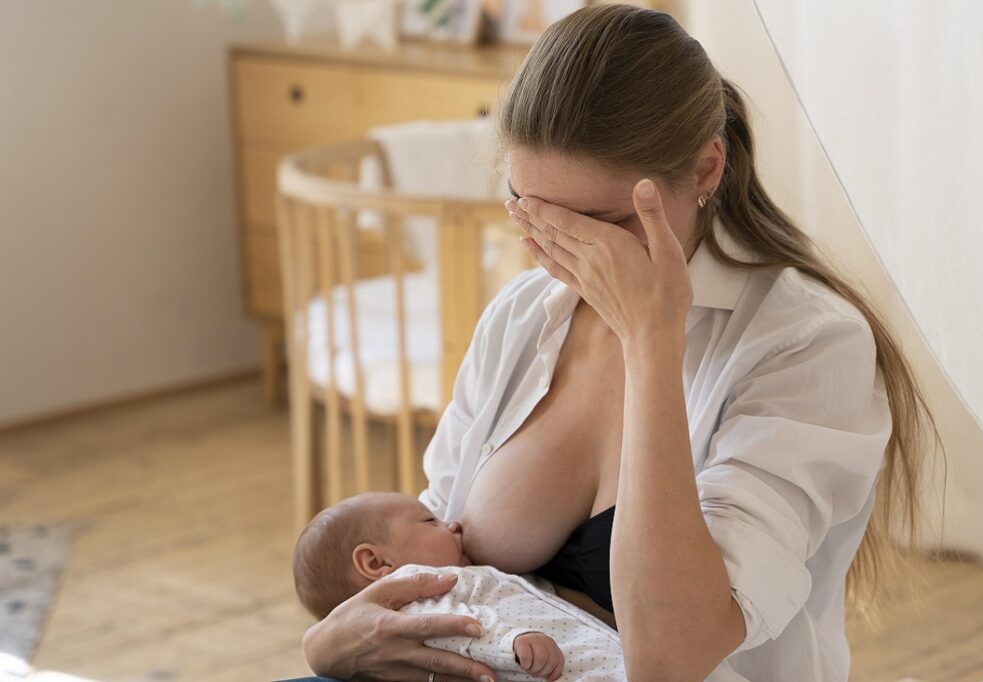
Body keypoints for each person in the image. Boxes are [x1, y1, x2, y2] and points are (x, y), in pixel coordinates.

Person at [294, 5, 942, 682]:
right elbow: (432, 577)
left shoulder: (808, 345)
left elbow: (672, 657)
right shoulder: (525, 313)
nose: (563, 251)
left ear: (705, 170)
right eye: (530, 209)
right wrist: (326, 647)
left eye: (599, 223)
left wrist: (650, 341)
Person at [291, 492, 626, 681]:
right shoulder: (416, 599)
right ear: (378, 564)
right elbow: (461, 627)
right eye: (430, 521)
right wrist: (511, 642)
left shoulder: (453, 580)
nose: (453, 523)